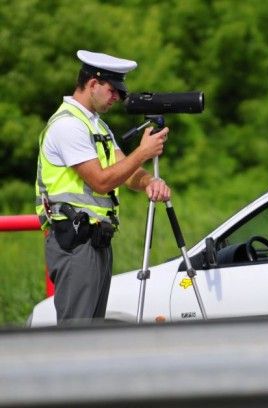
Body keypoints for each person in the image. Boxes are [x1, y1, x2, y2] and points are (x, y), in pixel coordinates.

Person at [35, 50, 171, 324]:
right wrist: (143, 152)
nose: (117, 98)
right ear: (93, 84)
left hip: (95, 240)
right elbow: (100, 180)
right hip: (75, 241)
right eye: (113, 90)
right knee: (76, 333)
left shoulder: (97, 126)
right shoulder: (68, 126)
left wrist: (148, 182)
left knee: (92, 333)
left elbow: (127, 172)